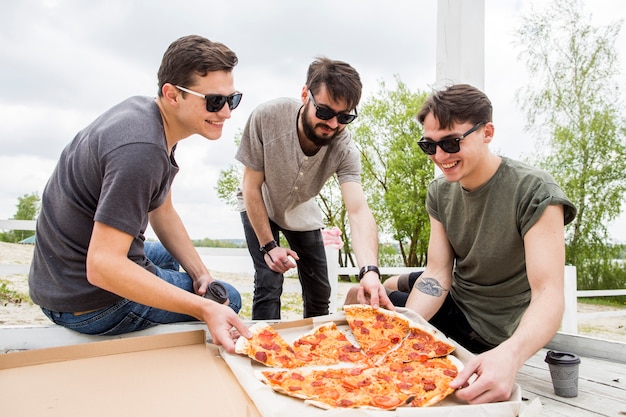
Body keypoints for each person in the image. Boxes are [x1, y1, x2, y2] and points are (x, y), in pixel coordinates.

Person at [345, 83, 576, 404]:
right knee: (377, 303)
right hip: (456, 296)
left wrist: (510, 355)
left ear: (488, 132)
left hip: (489, 330)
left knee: (376, 301)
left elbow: (550, 294)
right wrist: (405, 333)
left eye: (452, 143)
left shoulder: (535, 190)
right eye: (430, 146)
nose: (440, 156)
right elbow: (438, 274)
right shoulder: (439, 193)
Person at [28, 35, 251, 353]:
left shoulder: (149, 118)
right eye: (214, 102)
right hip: (86, 302)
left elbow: (162, 210)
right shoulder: (142, 150)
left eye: (233, 99)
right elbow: (103, 265)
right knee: (229, 299)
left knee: (190, 271)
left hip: (58, 278)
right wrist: (203, 308)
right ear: (172, 95)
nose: (227, 113)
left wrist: (201, 275)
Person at [235, 56, 392, 320]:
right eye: (325, 112)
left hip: (301, 210)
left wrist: (370, 271)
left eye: (344, 117)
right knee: (269, 281)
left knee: (321, 291)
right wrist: (269, 246)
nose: (333, 124)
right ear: (305, 94)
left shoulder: (345, 148)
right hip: (259, 202)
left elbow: (358, 210)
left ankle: (318, 348)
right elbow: (251, 187)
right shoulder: (267, 117)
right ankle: (263, 349)